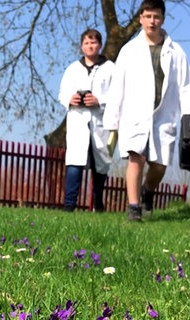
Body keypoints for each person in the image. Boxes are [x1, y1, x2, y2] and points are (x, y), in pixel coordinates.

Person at [103, 0, 190, 220]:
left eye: (156, 17)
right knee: (135, 158)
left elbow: (186, 85)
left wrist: (189, 114)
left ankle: (148, 190)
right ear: (141, 19)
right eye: (148, 16)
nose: (152, 21)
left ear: (162, 19)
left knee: (159, 165)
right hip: (134, 114)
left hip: (164, 115)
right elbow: (118, 86)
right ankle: (134, 208)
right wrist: (112, 122)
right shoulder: (129, 51)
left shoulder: (176, 52)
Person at [58, 29, 116, 212]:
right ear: (82, 46)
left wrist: (100, 101)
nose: (90, 46)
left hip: (100, 123)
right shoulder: (72, 69)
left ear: (100, 45)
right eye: (86, 43)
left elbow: (118, 96)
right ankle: (69, 205)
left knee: (101, 165)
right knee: (75, 163)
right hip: (78, 121)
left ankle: (98, 203)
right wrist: (70, 99)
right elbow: (62, 93)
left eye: (93, 43)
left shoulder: (111, 69)